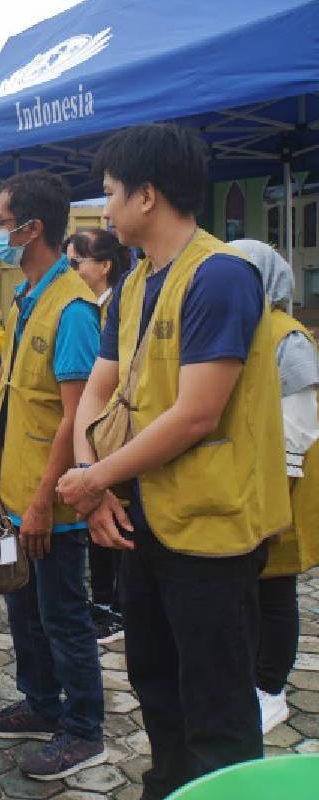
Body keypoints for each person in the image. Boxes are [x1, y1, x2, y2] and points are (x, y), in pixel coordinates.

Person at [56, 124, 288, 799]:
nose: (105, 211)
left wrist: (95, 477)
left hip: (209, 527)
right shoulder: (131, 286)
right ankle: (168, 787)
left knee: (215, 699)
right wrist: (94, 491)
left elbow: (197, 413)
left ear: (147, 196)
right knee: (155, 679)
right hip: (140, 516)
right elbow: (99, 392)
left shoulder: (221, 277)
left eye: (109, 195)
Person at [0, 171, 105, 781]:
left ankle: (82, 728)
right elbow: (4, 381)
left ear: (30, 227)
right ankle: (41, 703)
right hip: (13, 496)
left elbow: (78, 417)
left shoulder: (72, 309)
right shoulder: (27, 297)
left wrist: (45, 502)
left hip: (52, 503)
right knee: (22, 607)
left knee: (63, 614)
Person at [230, 238, 319, 735]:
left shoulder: (287, 336)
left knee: (275, 586)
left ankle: (270, 686)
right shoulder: (237, 329)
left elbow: (300, 423)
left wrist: (269, 492)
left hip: (281, 480)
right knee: (245, 587)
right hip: (240, 480)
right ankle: (248, 675)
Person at [63, 229, 128, 643]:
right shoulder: (90, 307)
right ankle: (104, 602)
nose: (71, 271)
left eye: (77, 263)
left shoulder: (112, 308)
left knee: (116, 522)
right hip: (95, 436)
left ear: (104, 266)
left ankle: (116, 608)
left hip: (117, 434)